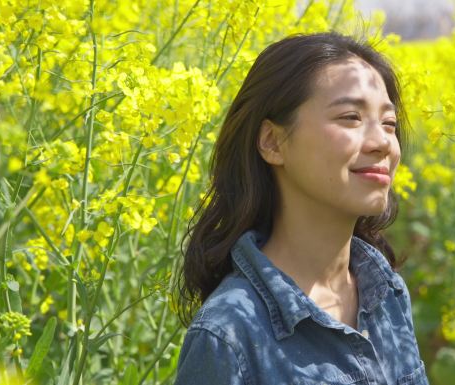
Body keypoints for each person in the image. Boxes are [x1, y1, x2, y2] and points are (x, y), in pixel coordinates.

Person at [173, 31, 428, 385]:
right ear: (272, 142)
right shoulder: (229, 335)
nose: (383, 143)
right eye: (351, 117)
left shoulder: (387, 292)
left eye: (389, 124)